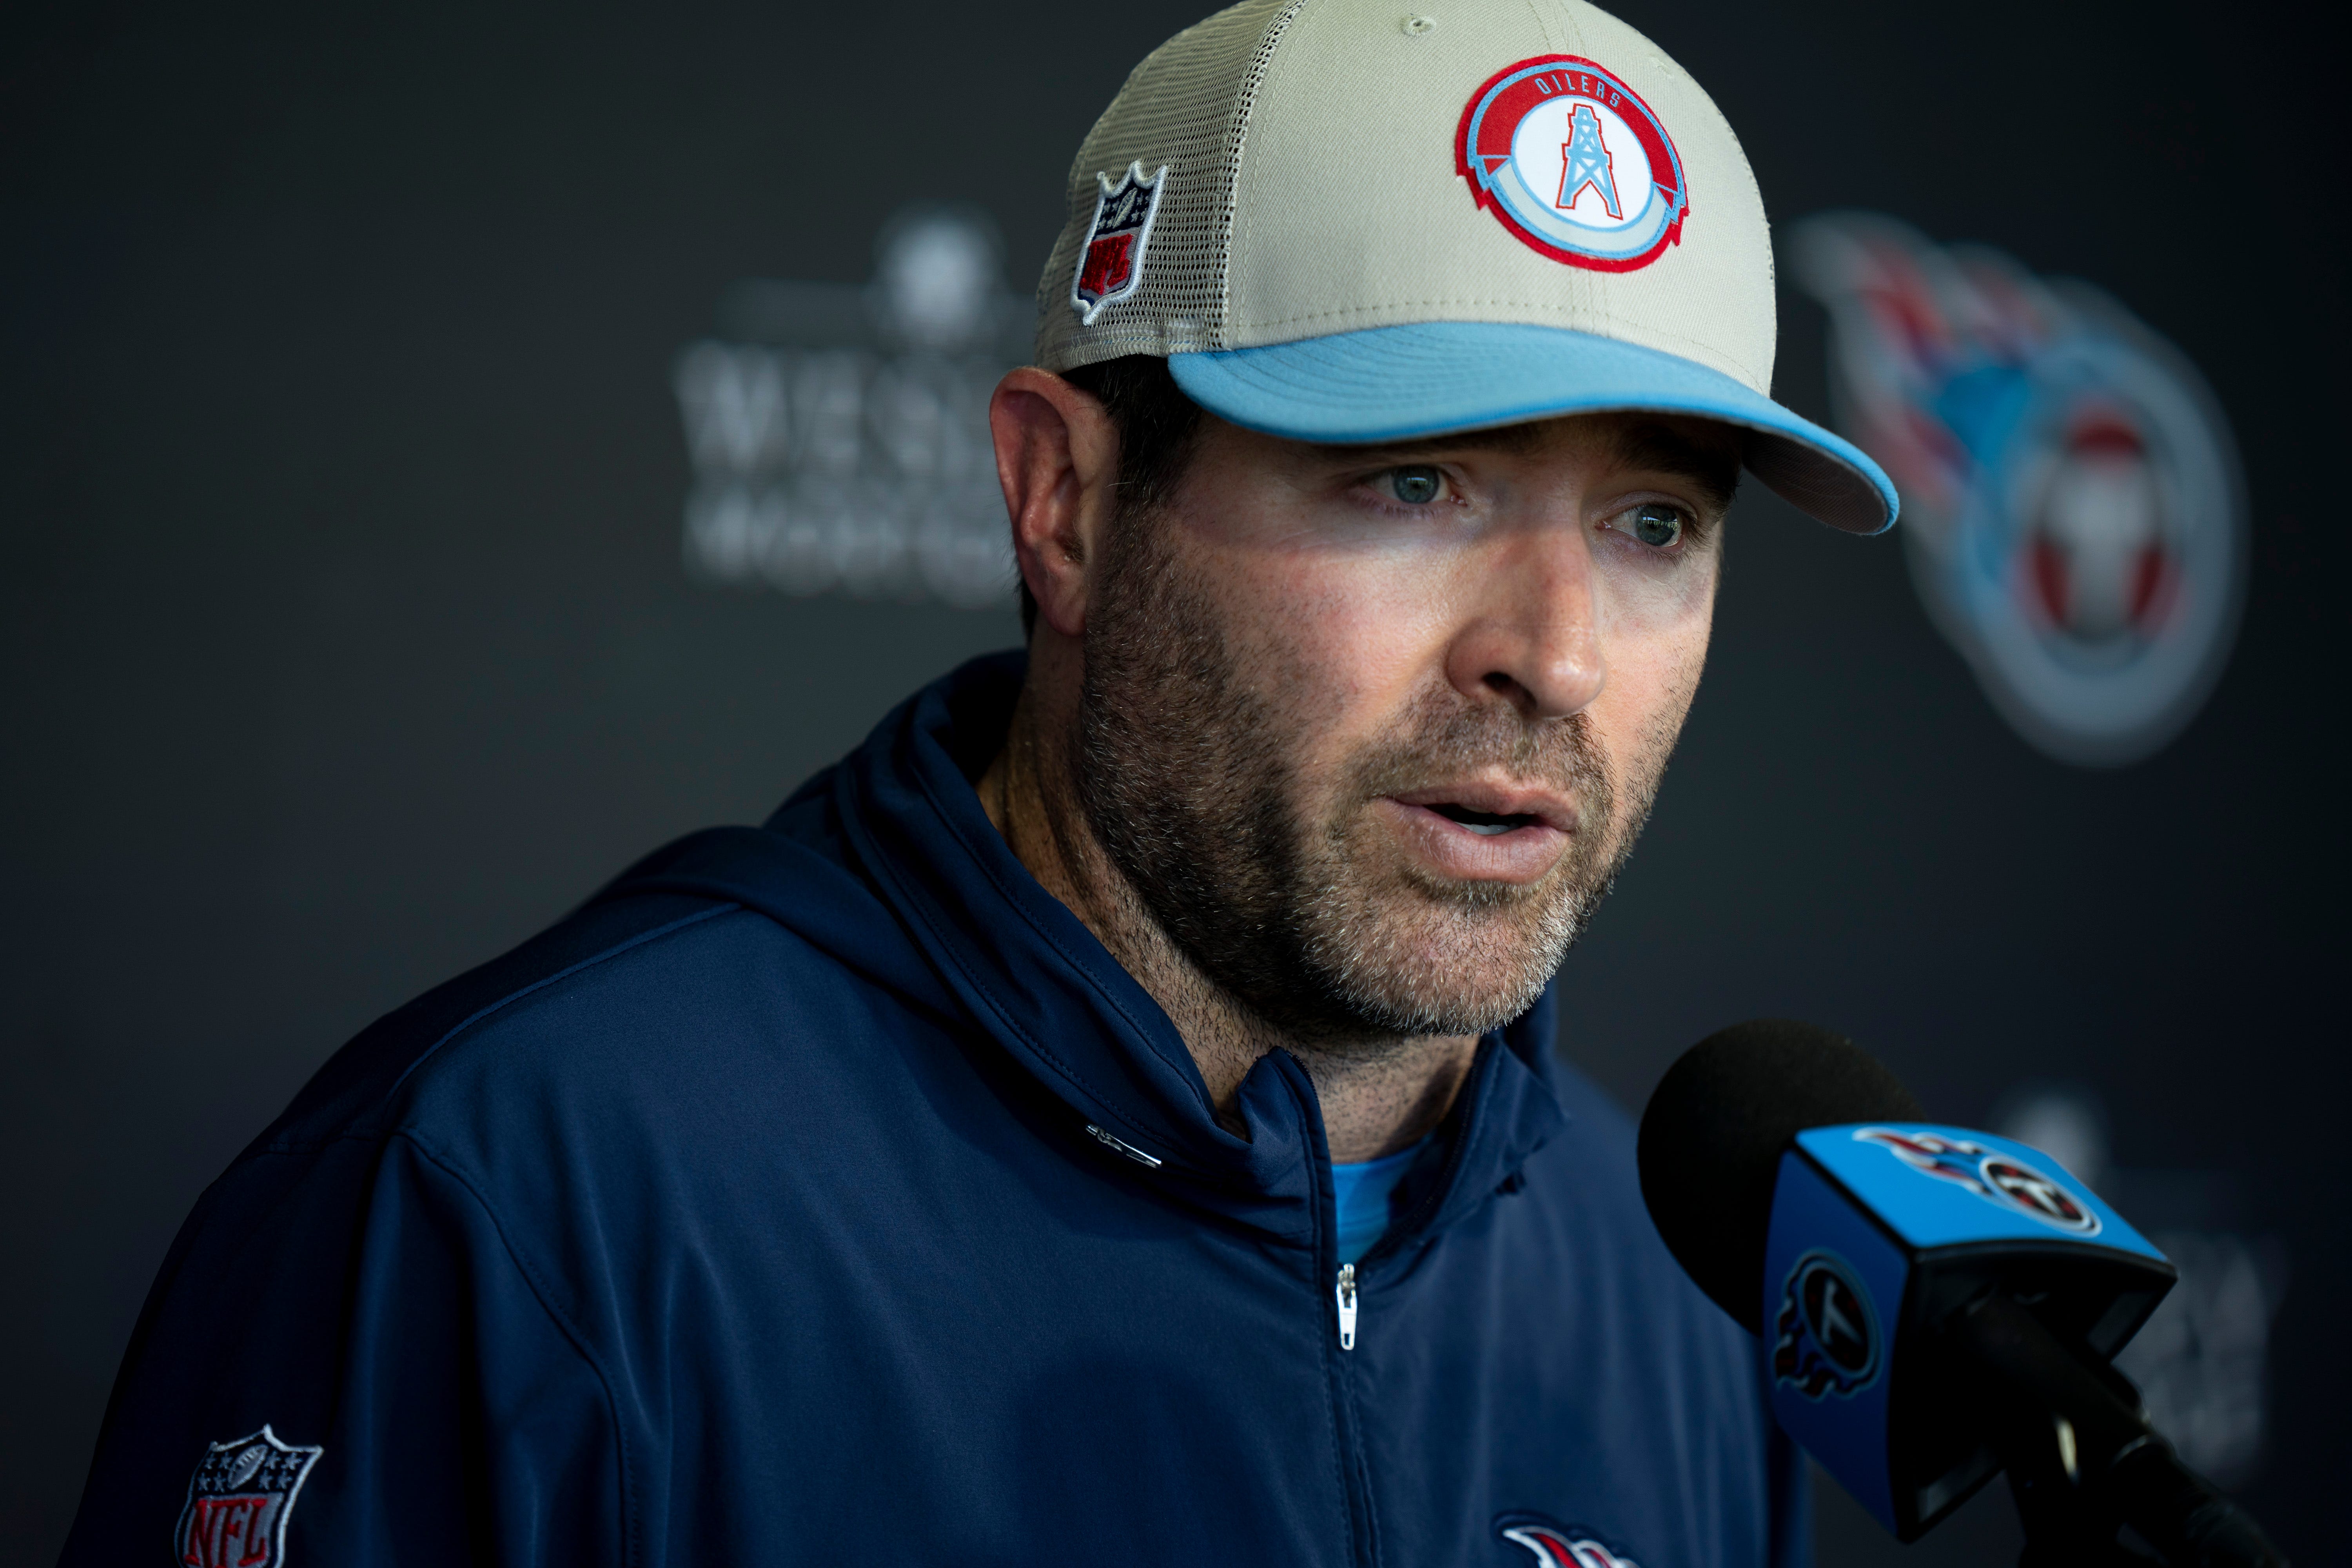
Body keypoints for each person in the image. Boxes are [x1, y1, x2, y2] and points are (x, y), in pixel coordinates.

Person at [62, 0, 1895, 1563]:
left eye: (1654, 524)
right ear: (1064, 504)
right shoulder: (530, 1202)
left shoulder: (1678, 1297)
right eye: (1415, 483)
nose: (1558, 656)